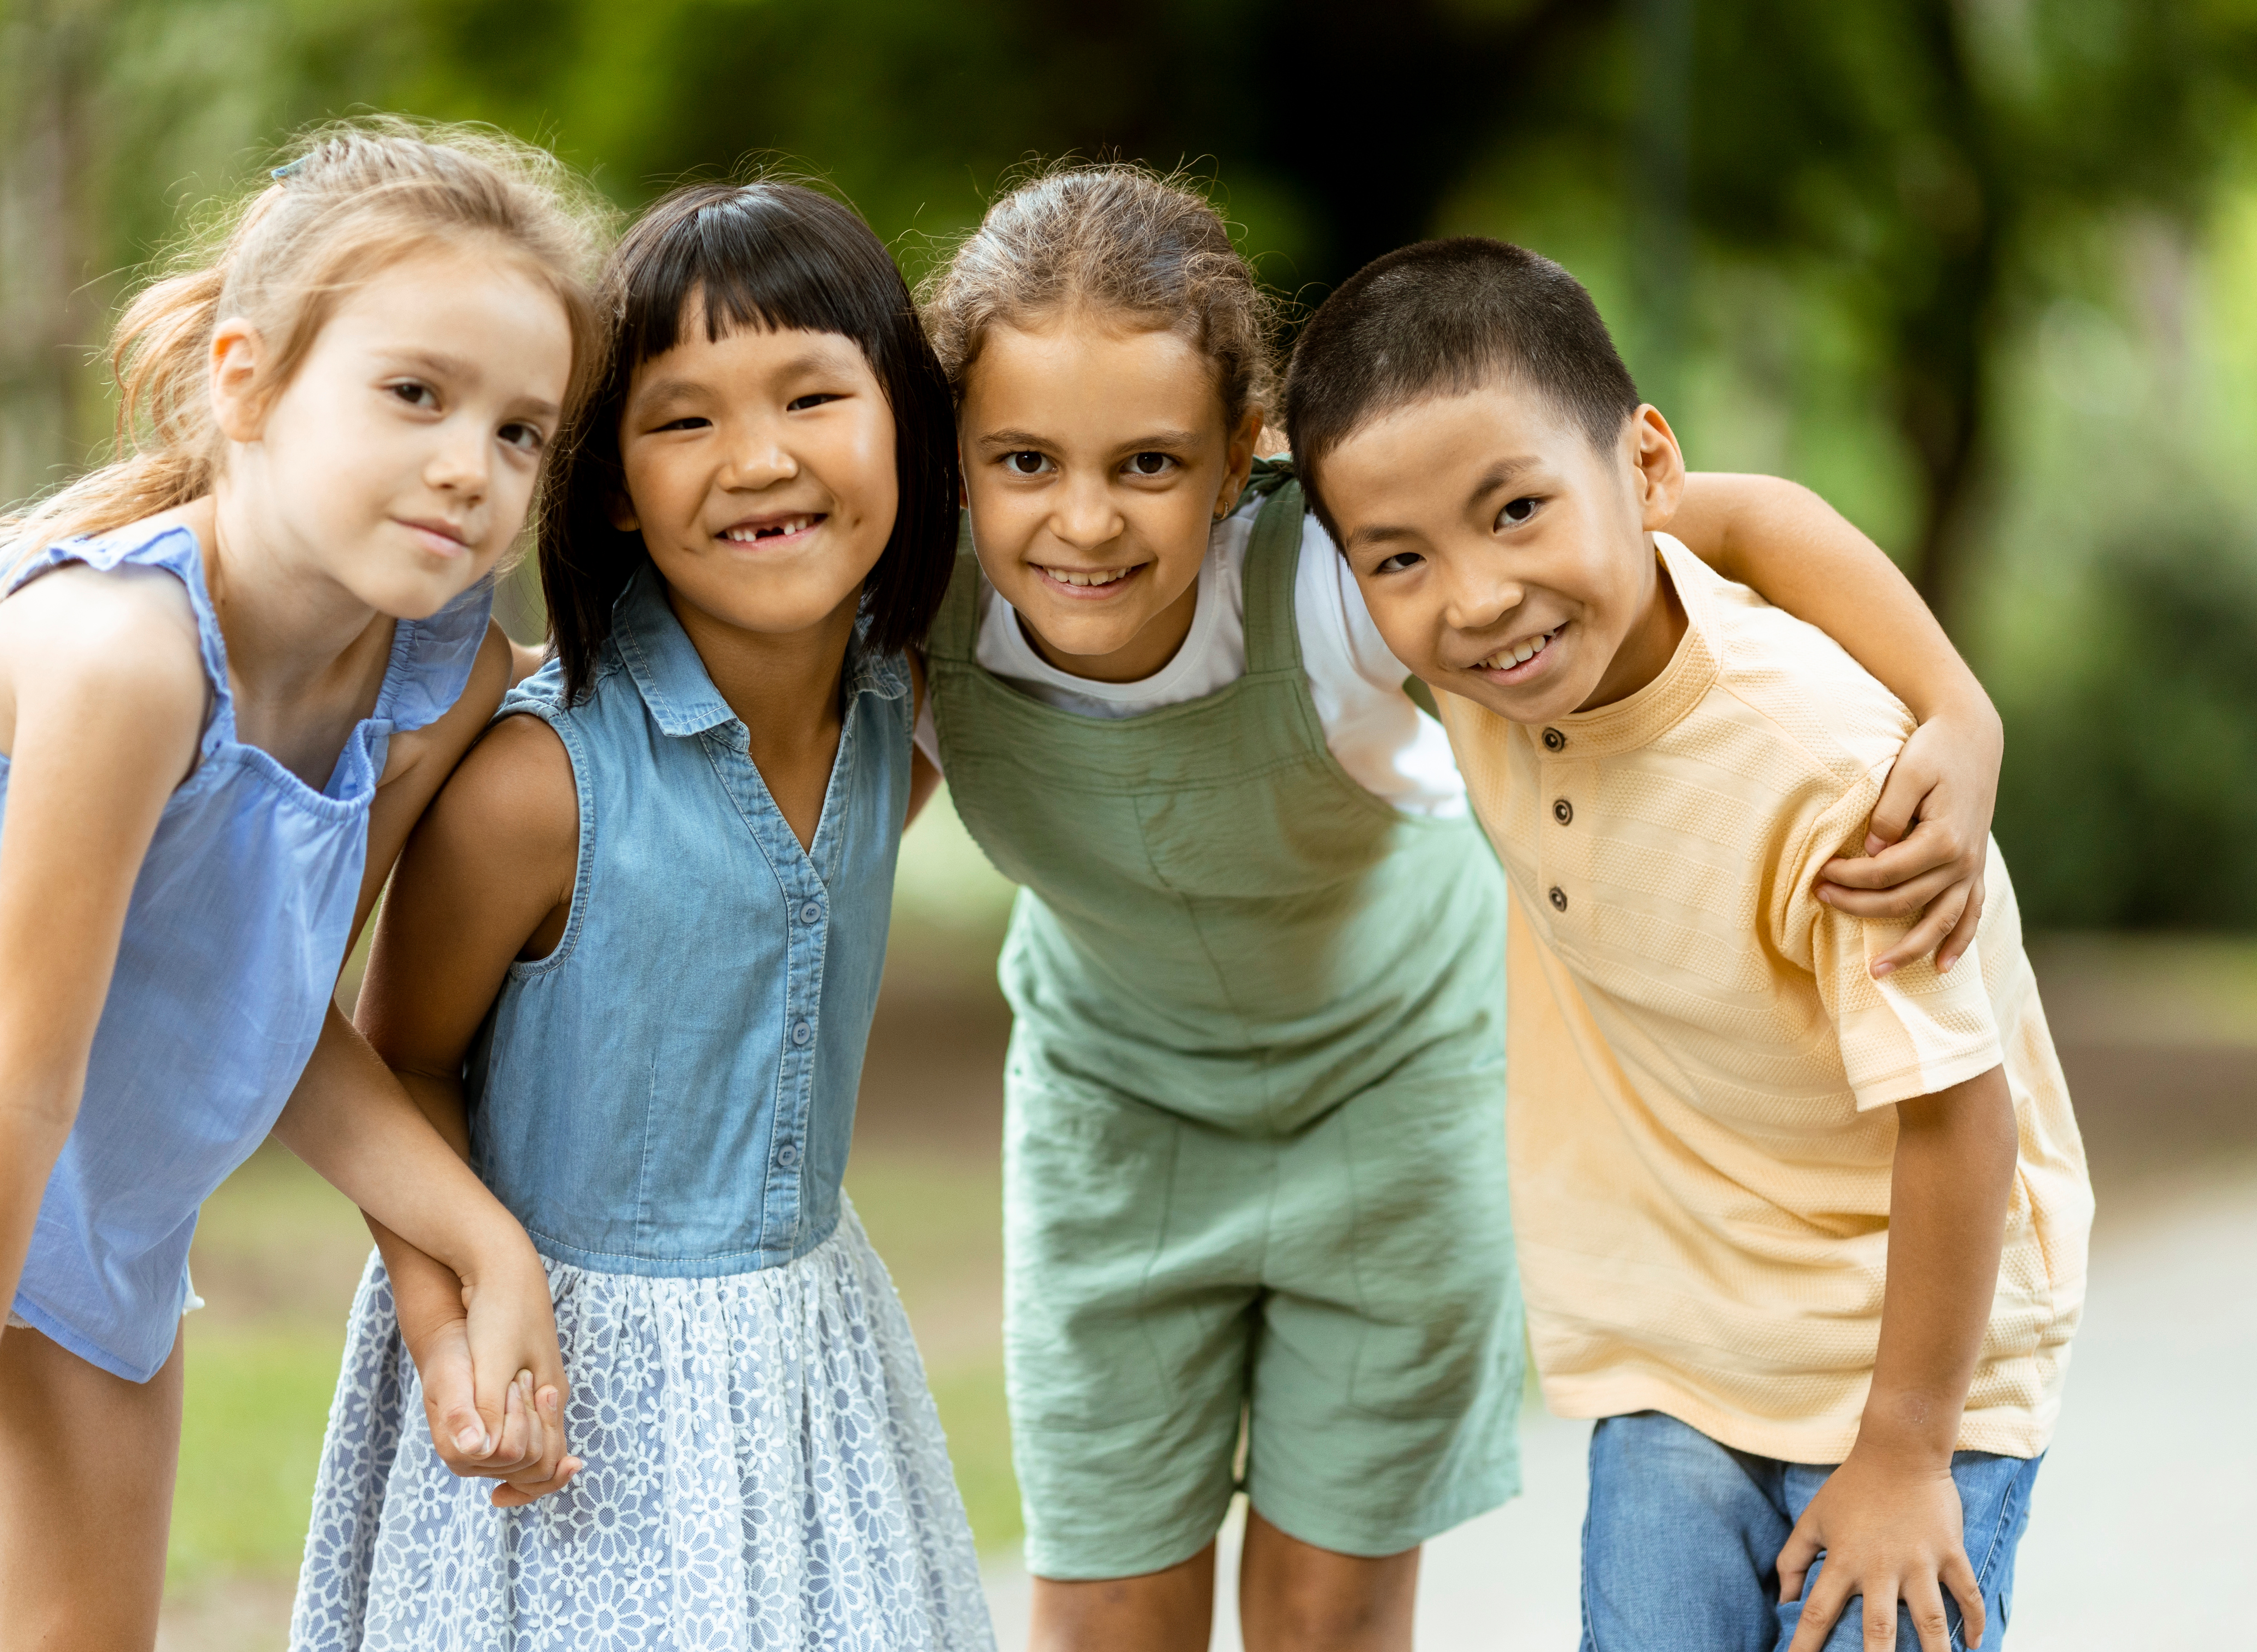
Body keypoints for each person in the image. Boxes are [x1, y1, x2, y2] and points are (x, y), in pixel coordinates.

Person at [911, 166, 2014, 1652]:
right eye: (1024, 461)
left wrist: (1956, 710)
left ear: (1244, 457)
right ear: (955, 458)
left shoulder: (1342, 578)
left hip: (1391, 1092)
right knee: (1106, 1605)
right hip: (1117, 1112)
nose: (1086, 522)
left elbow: (1709, 515)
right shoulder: (917, 614)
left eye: (1151, 466)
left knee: (1328, 1612)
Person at [0, 121, 605, 1652]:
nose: (469, 465)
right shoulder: (123, 659)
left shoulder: (434, 681)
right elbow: (10, 1090)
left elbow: (275, 1022)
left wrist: (481, 1238)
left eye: (520, 432)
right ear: (248, 380)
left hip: (94, 1216)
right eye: (416, 393)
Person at [1286, 235, 2091, 1652]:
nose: (1476, 596)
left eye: (1519, 510)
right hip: (1680, 1345)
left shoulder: (1831, 779)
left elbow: (1967, 1121)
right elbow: (1736, 512)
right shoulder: (1479, 663)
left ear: (1645, 472)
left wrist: (1906, 1450)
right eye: (1402, 557)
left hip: (1915, 1364)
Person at [290, 178, 995, 1650]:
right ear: (611, 480)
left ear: (906, 433)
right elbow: (398, 1060)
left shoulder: (900, 713)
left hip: (810, 1380)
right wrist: (453, 1338)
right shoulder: (538, 787)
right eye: (684, 420)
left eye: (812, 395)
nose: (757, 461)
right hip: (561, 1405)